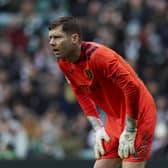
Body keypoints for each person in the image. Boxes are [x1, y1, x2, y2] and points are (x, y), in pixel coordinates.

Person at [48, 16, 156, 168]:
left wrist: (131, 129)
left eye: (57, 37)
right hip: (114, 118)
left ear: (74, 38)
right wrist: (98, 127)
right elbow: (79, 92)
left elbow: (132, 87)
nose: (51, 42)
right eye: (50, 38)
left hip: (139, 114)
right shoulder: (63, 62)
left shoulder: (99, 57)